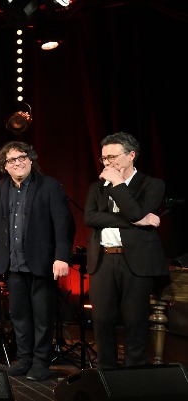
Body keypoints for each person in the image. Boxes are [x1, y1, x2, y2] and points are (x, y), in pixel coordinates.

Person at [0, 141, 74, 381]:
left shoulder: (49, 186)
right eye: (12, 160)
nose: (18, 163)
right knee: (18, 316)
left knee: (42, 316)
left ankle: (41, 363)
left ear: (31, 160)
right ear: (4, 166)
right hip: (12, 263)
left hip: (42, 263)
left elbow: (64, 225)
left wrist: (61, 257)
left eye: (22, 157)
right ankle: (25, 359)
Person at [84, 132, 168, 369]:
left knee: (134, 320)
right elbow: (90, 218)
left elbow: (134, 211)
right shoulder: (97, 187)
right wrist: (138, 220)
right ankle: (106, 371)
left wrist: (119, 184)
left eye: (112, 157)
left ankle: (134, 372)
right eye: (104, 158)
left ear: (131, 155)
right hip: (103, 259)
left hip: (136, 261)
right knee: (102, 319)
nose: (107, 163)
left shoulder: (152, 184)